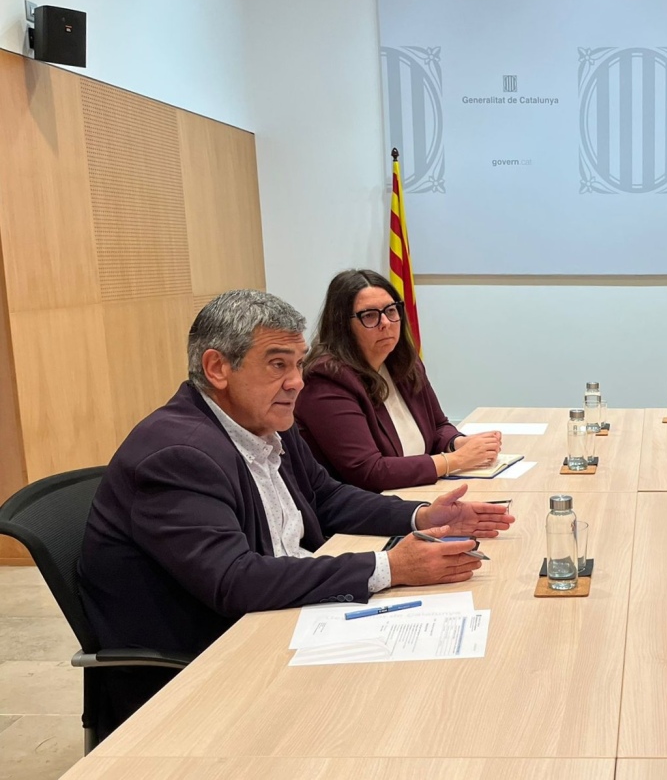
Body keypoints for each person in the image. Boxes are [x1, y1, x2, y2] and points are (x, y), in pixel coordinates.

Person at [79, 289, 515, 736]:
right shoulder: (178, 454)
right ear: (217, 368)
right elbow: (235, 580)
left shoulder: (264, 422)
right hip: (209, 668)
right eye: (277, 365)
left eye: (298, 364)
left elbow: (327, 498)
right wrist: (390, 566)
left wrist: (422, 517)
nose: (296, 382)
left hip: (280, 619)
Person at [294, 269, 502, 491]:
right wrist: (456, 460)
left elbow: (438, 426)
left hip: (416, 491)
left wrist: (458, 443)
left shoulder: (403, 363)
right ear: (342, 325)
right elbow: (369, 472)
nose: (386, 322)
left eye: (391, 310)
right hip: (367, 505)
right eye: (370, 315)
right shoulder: (326, 380)